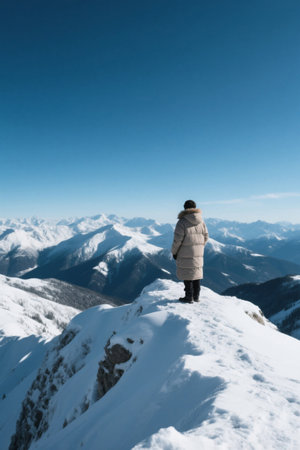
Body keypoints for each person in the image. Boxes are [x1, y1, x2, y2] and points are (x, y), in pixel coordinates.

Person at [171, 200, 209, 303]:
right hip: (199, 253)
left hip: (185, 253)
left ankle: (189, 297)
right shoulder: (202, 222)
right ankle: (196, 297)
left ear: (184, 208)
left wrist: (174, 252)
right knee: (196, 273)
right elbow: (206, 237)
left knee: (187, 273)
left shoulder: (182, 222)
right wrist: (200, 246)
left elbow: (177, 240)